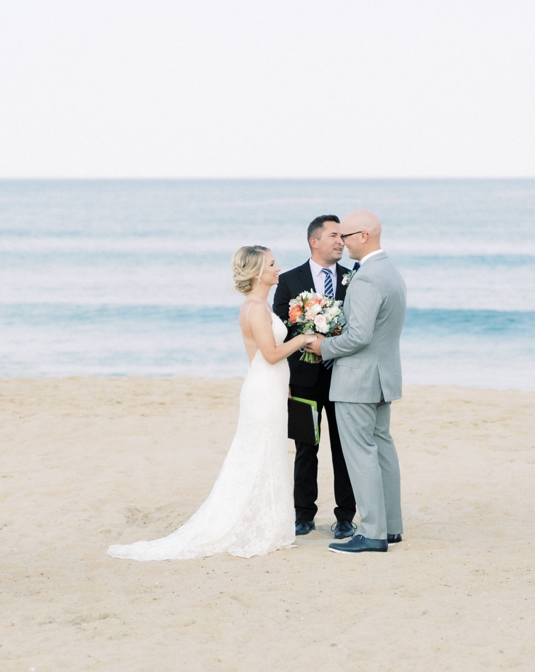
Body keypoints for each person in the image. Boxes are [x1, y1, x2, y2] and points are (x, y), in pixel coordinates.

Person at [109, 246, 312, 560]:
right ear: (258, 273)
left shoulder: (259, 304)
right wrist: (303, 338)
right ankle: (254, 526)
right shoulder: (255, 308)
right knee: (257, 454)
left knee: (267, 454)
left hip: (269, 388)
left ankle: (266, 524)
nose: (278, 268)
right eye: (272, 264)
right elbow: (271, 355)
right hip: (262, 390)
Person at [306, 210, 407, 554]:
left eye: (346, 236)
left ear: (363, 236)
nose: (342, 243)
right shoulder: (390, 271)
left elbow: (359, 336)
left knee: (361, 455)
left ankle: (374, 532)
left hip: (358, 380)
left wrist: (323, 346)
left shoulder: (365, 278)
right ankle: (391, 526)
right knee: (382, 451)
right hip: (383, 377)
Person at [273, 215, 357, 540]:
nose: (341, 241)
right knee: (306, 448)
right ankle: (303, 515)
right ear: (315, 241)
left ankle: (345, 516)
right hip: (303, 379)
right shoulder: (289, 280)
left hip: (343, 378)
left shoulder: (353, 279)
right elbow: (281, 328)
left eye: (343, 236)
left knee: (343, 448)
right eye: (335, 235)